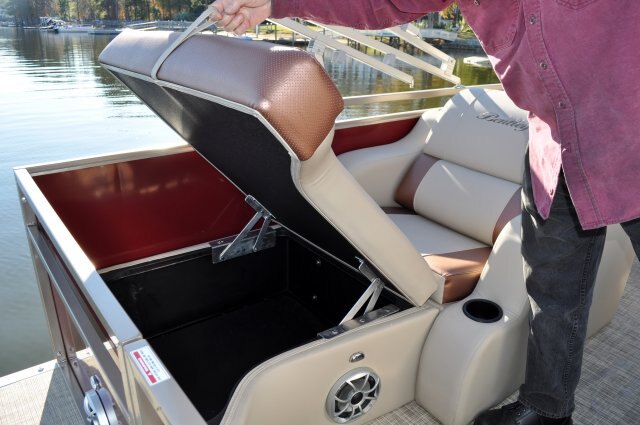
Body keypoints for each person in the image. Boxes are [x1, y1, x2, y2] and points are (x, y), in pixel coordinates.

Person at [209, 1, 640, 424]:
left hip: (632, 128)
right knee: (551, 291)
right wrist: (274, 3)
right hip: (554, 148)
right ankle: (547, 409)